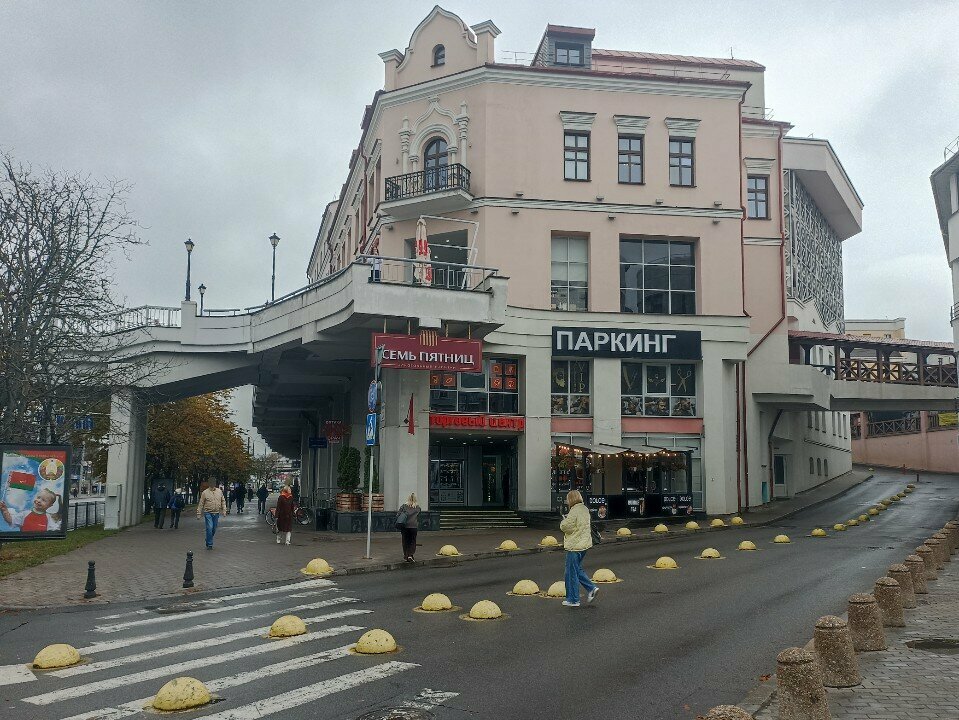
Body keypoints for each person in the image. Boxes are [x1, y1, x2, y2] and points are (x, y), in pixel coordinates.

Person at [559, 489, 598, 608]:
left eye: (567, 499)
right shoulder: (585, 509)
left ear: (571, 499)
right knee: (576, 569)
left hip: (574, 546)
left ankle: (573, 599)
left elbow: (566, 527)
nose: (567, 502)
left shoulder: (574, 511)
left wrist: (563, 521)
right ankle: (591, 588)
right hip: (584, 545)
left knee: (571, 572)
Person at [196, 481, 227, 549]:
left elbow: (223, 501)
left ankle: (208, 539)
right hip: (208, 513)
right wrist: (199, 513)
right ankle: (210, 544)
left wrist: (224, 510)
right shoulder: (205, 492)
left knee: (214, 529)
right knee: (209, 528)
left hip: (216, 513)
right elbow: (201, 503)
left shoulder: (219, 491)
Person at [397, 492, 421, 563]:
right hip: (414, 526)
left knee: (405, 541)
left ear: (408, 499)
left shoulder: (404, 506)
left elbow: (398, 515)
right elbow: (419, 518)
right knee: (412, 541)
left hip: (405, 526)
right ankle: (410, 555)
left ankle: (406, 555)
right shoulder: (418, 508)